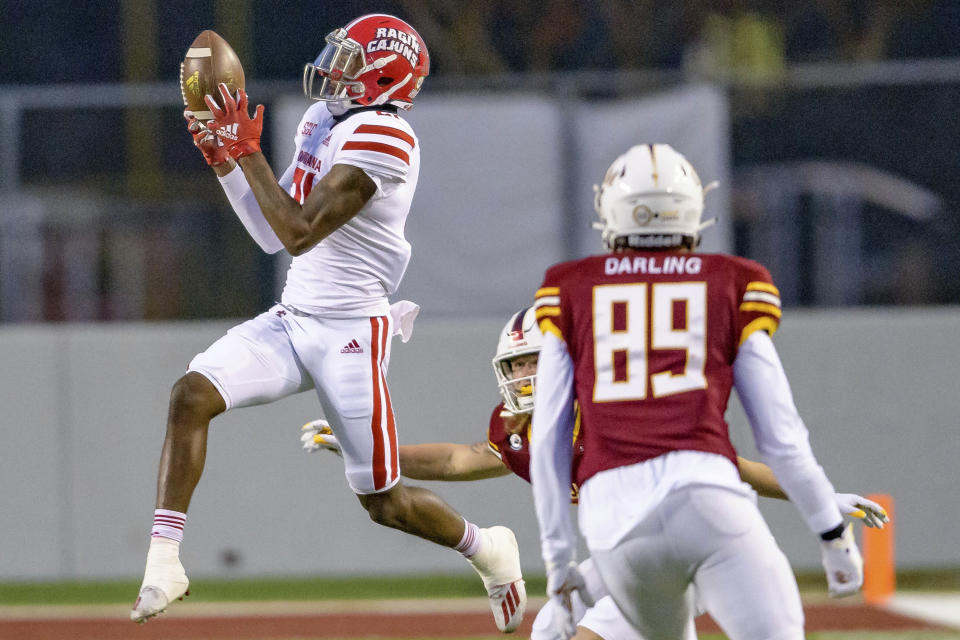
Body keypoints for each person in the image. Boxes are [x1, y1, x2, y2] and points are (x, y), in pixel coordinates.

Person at [131, 15, 526, 633]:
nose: (333, 67)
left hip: (351, 332)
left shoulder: (388, 138)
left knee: (384, 504)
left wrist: (245, 152)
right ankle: (163, 561)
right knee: (191, 394)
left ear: (384, 78)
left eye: (350, 60)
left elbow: (299, 230)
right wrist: (227, 165)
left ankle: (486, 546)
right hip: (294, 317)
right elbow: (270, 230)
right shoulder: (324, 121)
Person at [302, 306, 888, 640]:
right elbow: (461, 459)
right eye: (517, 365)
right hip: (629, 550)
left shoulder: (619, 416)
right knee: (549, 630)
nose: (523, 376)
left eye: (534, 362)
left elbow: (732, 467)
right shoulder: (524, 430)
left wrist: (820, 500)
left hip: (694, 546)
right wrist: (373, 447)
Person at [530, 143, 866, 640]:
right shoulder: (730, 281)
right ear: (693, 208)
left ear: (610, 211)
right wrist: (830, 531)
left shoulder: (569, 288)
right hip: (707, 496)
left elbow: (548, 442)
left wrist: (558, 564)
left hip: (614, 521)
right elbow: (780, 433)